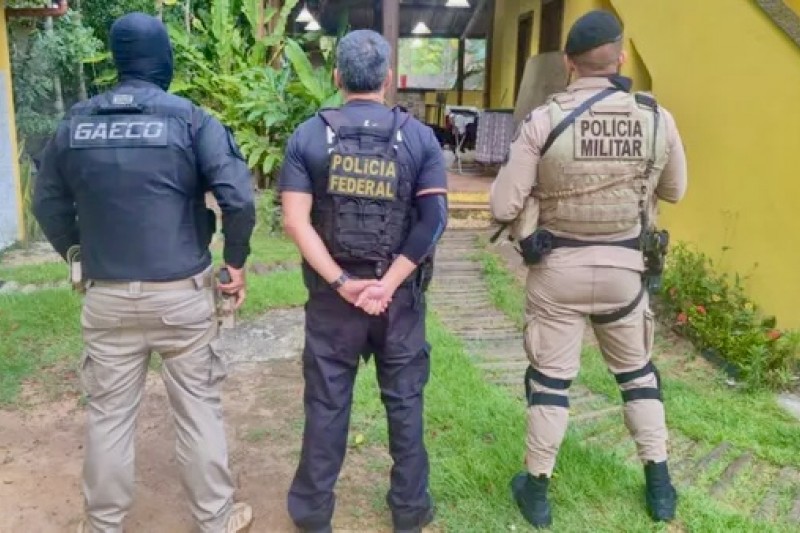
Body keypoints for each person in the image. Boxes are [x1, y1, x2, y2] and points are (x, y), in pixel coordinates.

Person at [33, 13, 256, 533]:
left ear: (118, 59)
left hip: (107, 297)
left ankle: (102, 525)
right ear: (164, 59)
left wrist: (77, 254)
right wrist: (235, 263)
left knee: (108, 415)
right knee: (198, 409)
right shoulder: (192, 121)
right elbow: (239, 200)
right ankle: (216, 520)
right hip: (182, 298)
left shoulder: (75, 124)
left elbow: (46, 202)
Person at [489, 10, 688, 529]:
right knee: (638, 376)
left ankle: (536, 492)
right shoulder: (655, 118)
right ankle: (660, 487)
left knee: (550, 382)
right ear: (620, 58)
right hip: (625, 271)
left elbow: (504, 204)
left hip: (558, 271)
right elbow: (675, 190)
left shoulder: (544, 120)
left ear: (568, 63)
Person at [279, 29, 448, 533]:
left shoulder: (309, 136)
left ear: (337, 77)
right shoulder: (419, 139)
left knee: (326, 405)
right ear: (388, 79)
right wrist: (388, 285)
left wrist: (340, 282)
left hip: (334, 303)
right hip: (399, 303)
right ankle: (410, 512)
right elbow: (434, 221)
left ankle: (312, 515)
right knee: (405, 404)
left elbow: (295, 221)